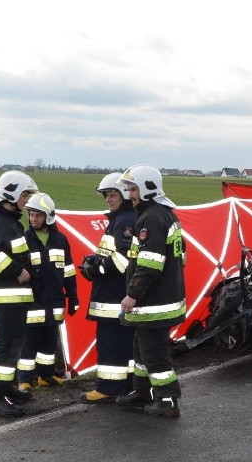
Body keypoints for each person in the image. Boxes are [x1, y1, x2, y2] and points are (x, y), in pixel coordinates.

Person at [115, 165, 187, 418]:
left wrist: (132, 293)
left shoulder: (151, 218)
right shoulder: (164, 215)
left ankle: (167, 400)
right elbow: (182, 256)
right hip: (161, 299)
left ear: (147, 188)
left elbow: (150, 264)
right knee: (141, 350)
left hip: (154, 303)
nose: (130, 195)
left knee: (154, 354)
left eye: (133, 189)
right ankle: (142, 391)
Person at [0, 171, 40, 417]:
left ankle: (7, 388)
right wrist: (18, 271)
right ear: (12, 194)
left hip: (16, 298)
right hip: (6, 298)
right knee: (5, 346)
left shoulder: (11, 222)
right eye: (25, 195)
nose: (26, 200)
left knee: (14, 345)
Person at [78, 172, 137, 403]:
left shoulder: (124, 221)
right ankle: (126, 386)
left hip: (113, 297)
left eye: (112, 194)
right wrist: (96, 259)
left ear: (123, 194)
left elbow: (123, 260)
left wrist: (96, 269)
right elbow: (112, 254)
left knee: (111, 343)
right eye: (106, 195)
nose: (108, 200)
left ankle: (108, 389)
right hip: (115, 296)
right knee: (124, 344)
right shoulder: (121, 219)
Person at [16, 193, 79, 390]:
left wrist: (73, 295)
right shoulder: (24, 239)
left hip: (55, 301)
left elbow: (69, 270)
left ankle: (45, 375)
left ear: (48, 217)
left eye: (38, 215)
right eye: (31, 215)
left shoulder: (61, 240)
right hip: (32, 302)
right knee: (29, 342)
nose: (33, 219)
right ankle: (24, 379)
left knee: (49, 343)